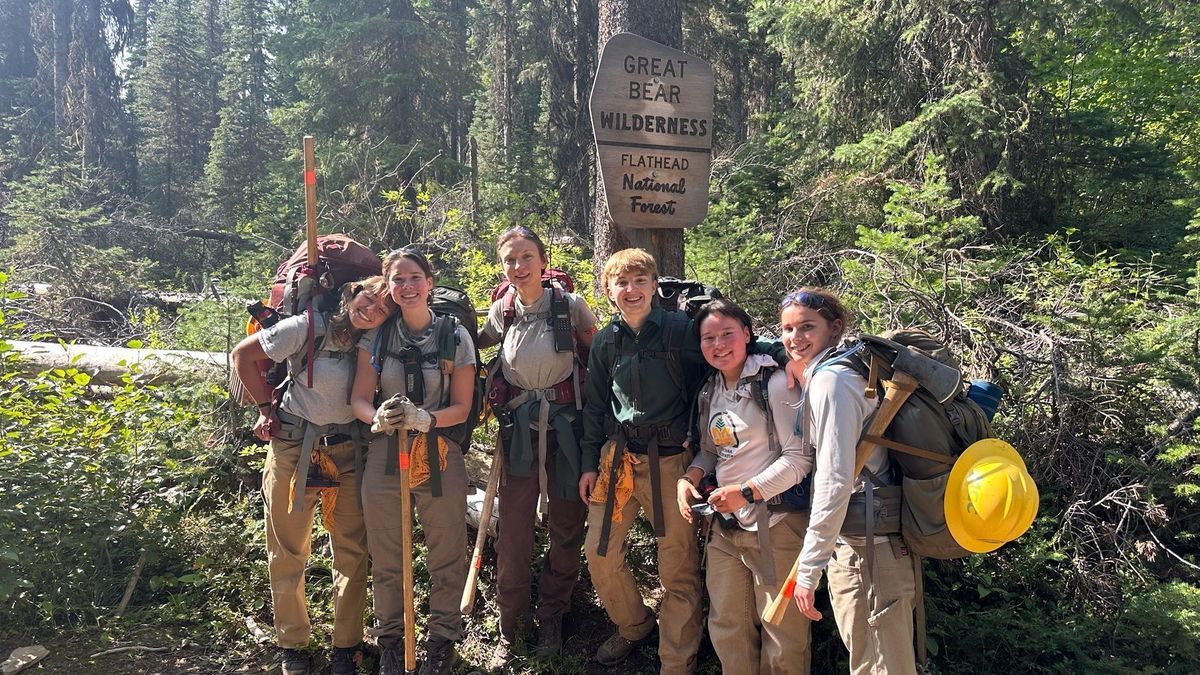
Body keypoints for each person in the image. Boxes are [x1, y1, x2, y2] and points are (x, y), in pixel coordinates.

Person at [577, 248, 799, 673]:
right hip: (619, 459)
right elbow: (594, 406)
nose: (631, 290)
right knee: (600, 553)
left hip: (674, 463)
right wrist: (590, 463)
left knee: (676, 568)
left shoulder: (681, 330)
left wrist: (791, 360)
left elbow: (729, 347)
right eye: (621, 283)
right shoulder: (606, 339)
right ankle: (635, 625)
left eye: (640, 281)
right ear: (608, 291)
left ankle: (675, 661)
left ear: (654, 285)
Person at [231, 275, 394, 675]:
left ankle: (346, 646)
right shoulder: (305, 327)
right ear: (350, 293)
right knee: (288, 548)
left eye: (383, 308)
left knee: (351, 551)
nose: (371, 310)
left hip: (346, 449)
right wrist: (265, 409)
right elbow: (242, 356)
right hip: (292, 445)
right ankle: (293, 644)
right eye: (367, 300)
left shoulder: (375, 341)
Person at [350, 248, 477, 675]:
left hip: (440, 450)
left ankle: (442, 640)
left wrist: (427, 418)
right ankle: (391, 640)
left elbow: (462, 406)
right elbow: (359, 400)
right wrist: (377, 418)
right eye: (397, 280)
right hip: (386, 452)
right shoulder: (377, 336)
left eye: (414, 278)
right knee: (386, 554)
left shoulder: (455, 336)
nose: (406, 287)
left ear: (429, 282)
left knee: (446, 551)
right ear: (387, 286)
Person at [475, 226, 598, 665]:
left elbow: (598, 354)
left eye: (526, 257)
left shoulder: (569, 306)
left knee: (566, 525)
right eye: (509, 259)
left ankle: (553, 617)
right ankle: (512, 625)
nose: (518, 266)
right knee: (513, 531)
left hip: (568, 431)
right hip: (519, 433)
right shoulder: (502, 310)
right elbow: (475, 342)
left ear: (543, 261)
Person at [782, 287, 918, 675]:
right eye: (788, 329)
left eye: (807, 327)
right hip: (872, 541)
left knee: (879, 666)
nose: (795, 338)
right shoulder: (849, 372)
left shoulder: (832, 383)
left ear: (834, 328)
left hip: (866, 550)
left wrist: (809, 569)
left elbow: (834, 479)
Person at [675, 299, 815, 675]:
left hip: (777, 525)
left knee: (783, 632)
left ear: (747, 335)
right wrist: (690, 478)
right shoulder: (710, 390)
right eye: (709, 338)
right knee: (727, 626)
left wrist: (748, 491)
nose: (718, 344)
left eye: (727, 334)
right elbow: (711, 450)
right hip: (727, 527)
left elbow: (799, 459)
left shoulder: (776, 384)